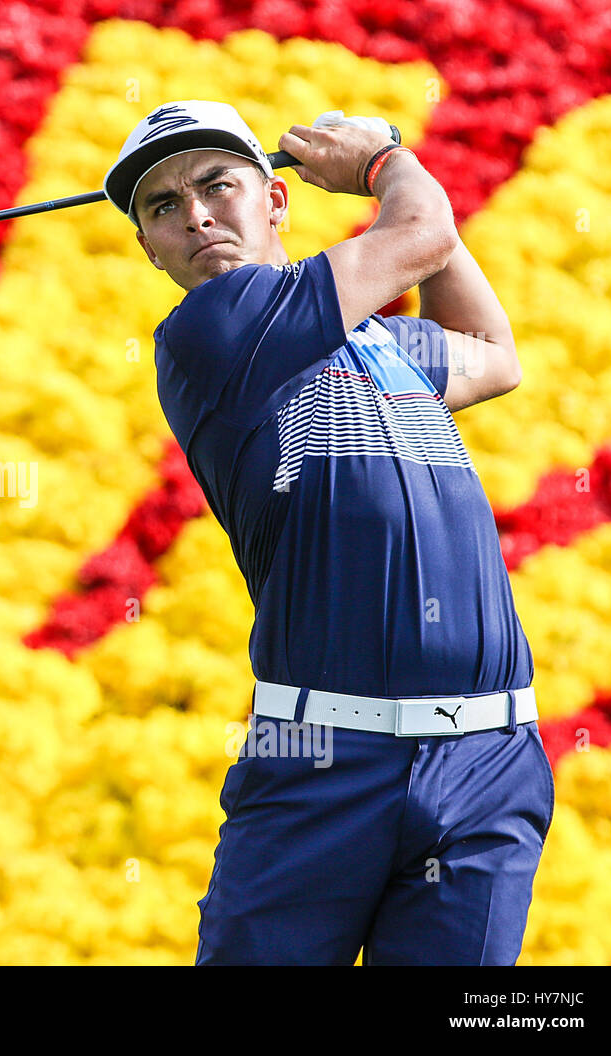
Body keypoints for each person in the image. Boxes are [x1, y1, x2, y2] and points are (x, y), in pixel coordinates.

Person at [103, 101, 553, 966]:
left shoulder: (386, 344)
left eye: (215, 185)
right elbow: (417, 230)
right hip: (319, 761)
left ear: (274, 198)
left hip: (488, 762)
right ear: (149, 248)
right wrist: (386, 162)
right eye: (162, 207)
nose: (194, 215)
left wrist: (430, 215)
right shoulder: (213, 334)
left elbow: (495, 354)